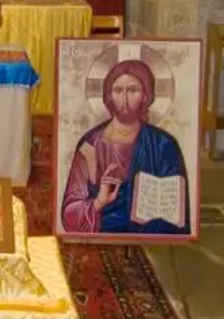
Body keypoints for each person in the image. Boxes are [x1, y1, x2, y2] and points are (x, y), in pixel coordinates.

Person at [61, 59, 190, 235]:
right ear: (109, 96)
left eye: (133, 90)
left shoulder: (163, 145)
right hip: (103, 233)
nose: (124, 99)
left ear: (146, 96)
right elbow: (69, 215)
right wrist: (99, 201)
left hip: (148, 236)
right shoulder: (91, 145)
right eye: (118, 90)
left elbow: (176, 211)